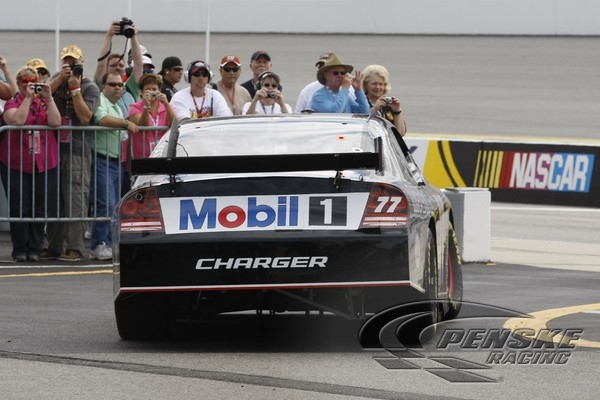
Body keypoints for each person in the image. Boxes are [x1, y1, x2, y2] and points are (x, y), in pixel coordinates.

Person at [44, 45, 101, 262]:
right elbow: (40, 97)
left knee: (76, 200)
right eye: (66, 62)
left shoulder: (90, 88)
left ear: (82, 62)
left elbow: (85, 117)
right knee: (54, 201)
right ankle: (54, 246)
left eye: (74, 62)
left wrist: (75, 89)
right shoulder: (56, 80)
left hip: (77, 151)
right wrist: (60, 79)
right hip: (54, 150)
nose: (69, 65)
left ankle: (75, 248)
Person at [0, 66, 60, 262]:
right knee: (19, 207)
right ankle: (20, 249)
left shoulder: (43, 103)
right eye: (25, 82)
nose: (29, 85)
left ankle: (34, 247)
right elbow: (17, 120)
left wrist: (49, 98)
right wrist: (27, 98)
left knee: (39, 207)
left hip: (44, 162)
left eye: (33, 82)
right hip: (16, 162)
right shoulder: (12, 103)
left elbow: (55, 122)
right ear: (18, 84)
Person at [90, 71, 139, 260]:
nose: (117, 88)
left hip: (116, 161)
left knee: (114, 205)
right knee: (105, 203)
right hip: (102, 159)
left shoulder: (116, 106)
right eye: (113, 84)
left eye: (120, 85)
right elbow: (101, 119)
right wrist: (126, 123)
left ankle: (109, 242)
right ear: (104, 86)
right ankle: (99, 243)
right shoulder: (101, 101)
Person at [94, 19, 144, 115]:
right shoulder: (101, 86)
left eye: (121, 65)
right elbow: (101, 64)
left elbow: (138, 64)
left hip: (131, 125)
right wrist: (109, 35)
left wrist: (133, 36)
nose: (118, 67)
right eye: (113, 65)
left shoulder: (130, 88)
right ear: (106, 68)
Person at [127, 73, 176, 158]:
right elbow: (143, 125)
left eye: (154, 89)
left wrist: (166, 104)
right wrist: (146, 106)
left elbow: (175, 124)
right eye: (148, 90)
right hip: (141, 157)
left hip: (161, 156)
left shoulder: (166, 107)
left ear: (159, 90)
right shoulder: (135, 107)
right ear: (142, 92)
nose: (151, 92)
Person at [362, 64, 407, 136]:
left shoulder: (388, 104)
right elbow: (361, 125)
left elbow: (400, 134)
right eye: (374, 84)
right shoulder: (361, 103)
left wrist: (397, 111)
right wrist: (375, 109)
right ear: (365, 85)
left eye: (381, 84)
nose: (378, 87)